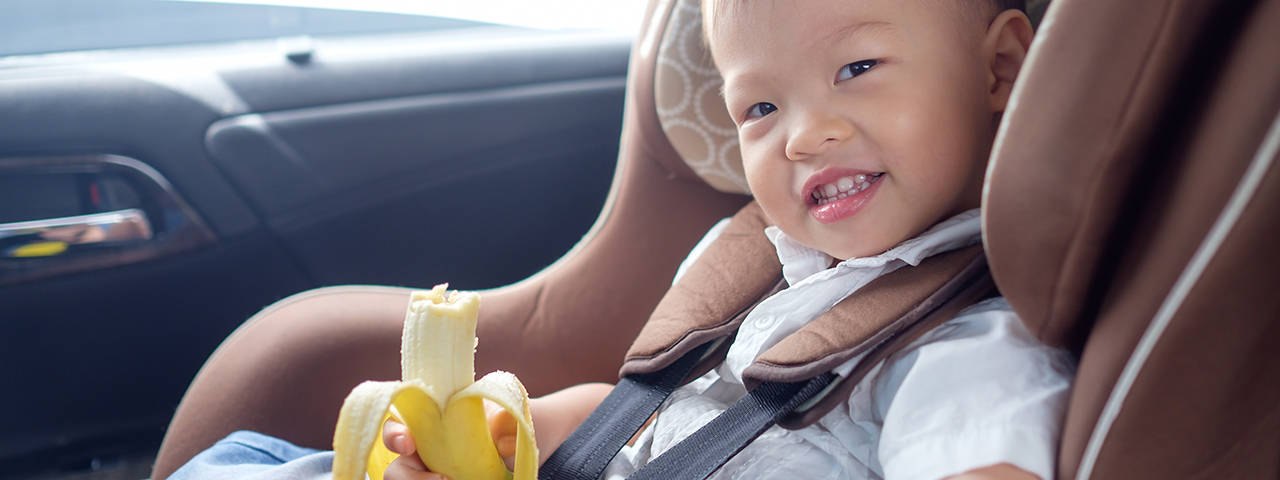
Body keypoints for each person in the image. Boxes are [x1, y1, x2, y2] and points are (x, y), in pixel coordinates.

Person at [169, 0, 1073, 478]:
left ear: (999, 66)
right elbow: (635, 418)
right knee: (241, 464)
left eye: (857, 68)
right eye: (760, 107)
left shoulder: (965, 352)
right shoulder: (760, 265)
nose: (803, 134)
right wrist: (504, 435)